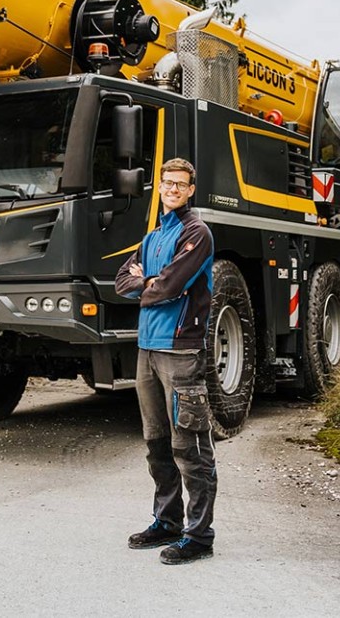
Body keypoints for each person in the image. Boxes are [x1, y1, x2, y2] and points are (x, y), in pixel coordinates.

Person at [115, 157, 217, 565]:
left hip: (180, 349)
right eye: (167, 183)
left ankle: (199, 536)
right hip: (147, 348)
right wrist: (148, 282)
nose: (173, 189)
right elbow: (122, 280)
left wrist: (149, 281)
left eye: (181, 184)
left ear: (192, 190)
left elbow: (172, 285)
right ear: (159, 187)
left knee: (189, 446)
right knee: (157, 444)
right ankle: (167, 521)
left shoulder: (198, 232)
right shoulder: (154, 236)